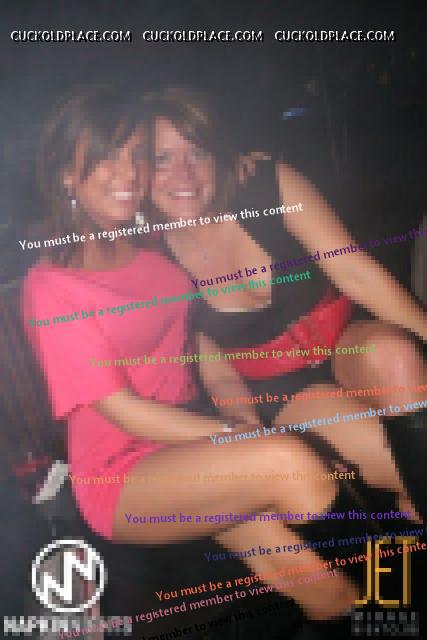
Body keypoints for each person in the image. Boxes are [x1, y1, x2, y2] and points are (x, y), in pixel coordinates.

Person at [22, 85, 367, 623]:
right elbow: (122, 411)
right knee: (295, 466)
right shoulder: (53, 285)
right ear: (67, 172)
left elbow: (194, 342)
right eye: (106, 157)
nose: (129, 173)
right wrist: (234, 436)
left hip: (191, 442)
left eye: (137, 156)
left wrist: (240, 415)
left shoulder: (146, 240)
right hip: (125, 476)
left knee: (329, 593)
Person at [143, 87, 426, 532]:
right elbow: (206, 366)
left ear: (218, 152)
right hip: (281, 390)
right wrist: (245, 430)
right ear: (137, 170)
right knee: (407, 465)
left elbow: (355, 272)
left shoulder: (266, 185)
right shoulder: (147, 258)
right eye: (162, 159)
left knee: (394, 354)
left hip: (348, 340)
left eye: (197, 152)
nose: (184, 173)